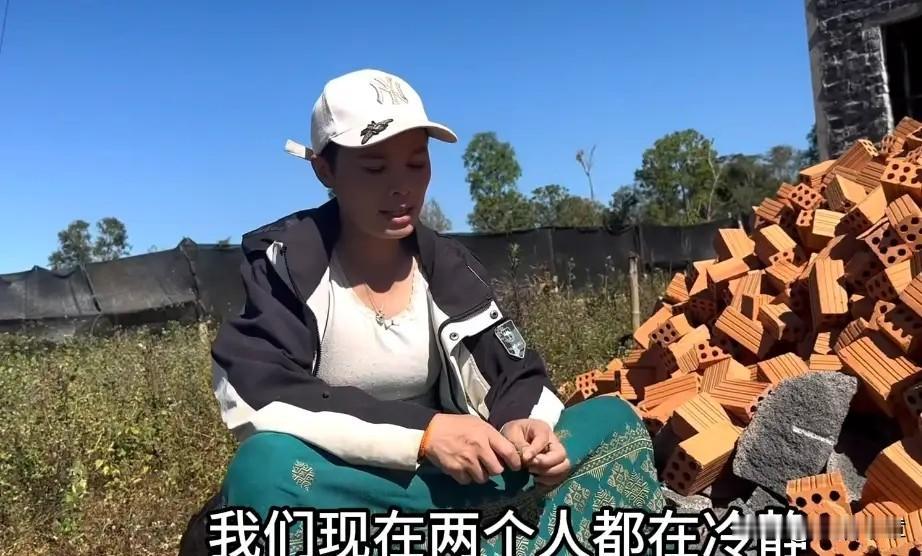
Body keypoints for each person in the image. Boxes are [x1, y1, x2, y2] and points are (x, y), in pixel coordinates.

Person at [189, 68, 664, 554]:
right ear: (324, 171)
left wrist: (524, 427)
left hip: (452, 476)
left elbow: (515, 372)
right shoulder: (289, 264)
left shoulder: (448, 266)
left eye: (417, 163)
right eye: (375, 168)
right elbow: (258, 390)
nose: (402, 187)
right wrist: (424, 434)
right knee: (265, 468)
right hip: (354, 486)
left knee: (612, 419)